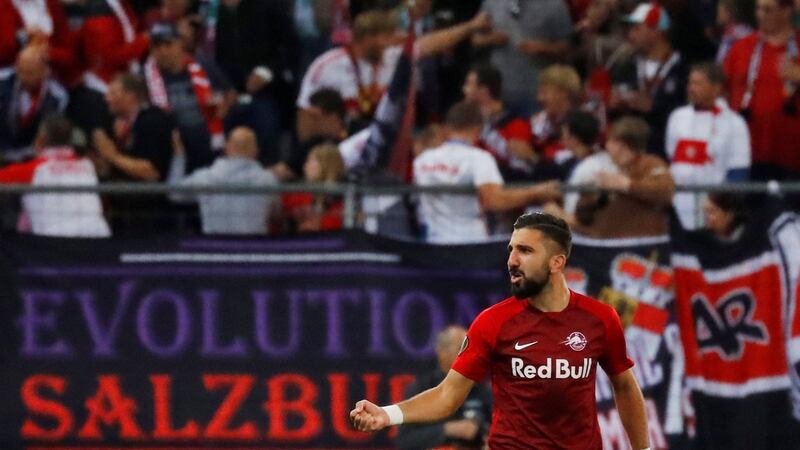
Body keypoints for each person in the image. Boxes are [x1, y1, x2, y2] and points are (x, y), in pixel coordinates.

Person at [351, 212, 650, 450]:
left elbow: (624, 386)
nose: (512, 260)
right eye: (511, 250)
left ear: (557, 262)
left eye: (525, 250)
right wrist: (387, 414)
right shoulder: (493, 322)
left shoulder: (599, 319)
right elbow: (447, 395)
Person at [297, 8, 491, 134]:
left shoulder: (393, 55)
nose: (394, 41)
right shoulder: (326, 66)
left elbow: (434, 43)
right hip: (343, 140)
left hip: (390, 136)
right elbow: (305, 114)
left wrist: (471, 26)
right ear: (367, 38)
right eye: (387, 37)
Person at [413, 101, 560, 244]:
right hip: (471, 247)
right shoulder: (479, 158)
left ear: (447, 128)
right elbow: (494, 200)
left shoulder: (422, 161)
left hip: (432, 245)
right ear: (478, 129)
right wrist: (535, 192)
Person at [666, 62, 751, 230]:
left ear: (716, 88)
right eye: (690, 83)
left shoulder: (735, 123)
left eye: (698, 83)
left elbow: (738, 173)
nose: (691, 88)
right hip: (676, 207)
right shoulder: (677, 117)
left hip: (712, 210)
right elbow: (671, 157)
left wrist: (720, 208)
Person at [724, 0, 800, 180]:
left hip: (792, 154)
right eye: (758, 9)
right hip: (746, 152)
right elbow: (722, 92)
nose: (761, 15)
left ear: (787, 11)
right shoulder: (741, 48)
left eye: (768, 9)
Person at [0, 114, 110, 237]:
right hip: (98, 240)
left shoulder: (33, 169)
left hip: (54, 245)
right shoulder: (88, 165)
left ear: (40, 139)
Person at [574, 116, 675, 238]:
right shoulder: (609, 170)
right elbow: (584, 217)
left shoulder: (651, 164)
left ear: (620, 145)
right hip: (608, 245)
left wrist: (626, 185)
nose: (606, 146)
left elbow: (664, 192)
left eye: (610, 141)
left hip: (643, 245)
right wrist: (590, 198)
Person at [610, 2, 688, 159]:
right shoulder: (626, 66)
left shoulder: (682, 69)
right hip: (629, 152)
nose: (630, 35)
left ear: (655, 32)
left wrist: (654, 107)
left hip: (666, 150)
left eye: (636, 29)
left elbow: (688, 112)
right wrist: (614, 105)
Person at [395, 325, 492, 450]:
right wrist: (447, 429)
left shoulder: (482, 390)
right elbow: (404, 441)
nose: (470, 356)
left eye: (472, 349)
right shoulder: (421, 389)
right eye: (461, 349)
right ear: (442, 353)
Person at [169, 126, 278, 235]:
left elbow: (174, 193)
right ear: (256, 151)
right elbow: (276, 213)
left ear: (226, 147)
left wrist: (179, 155)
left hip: (215, 248)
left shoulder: (205, 177)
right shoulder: (268, 180)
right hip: (254, 249)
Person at [472, 0, 573, 117]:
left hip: (537, 94)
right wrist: (491, 39)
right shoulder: (491, 3)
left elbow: (568, 48)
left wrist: (544, 48)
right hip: (499, 94)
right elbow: (475, 39)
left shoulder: (555, 5)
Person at [144, 21, 216, 169]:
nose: (163, 51)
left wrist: (220, 104)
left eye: (168, 44)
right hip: (169, 148)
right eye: (157, 46)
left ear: (180, 44)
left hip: (207, 141)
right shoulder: (145, 77)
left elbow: (229, 94)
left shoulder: (202, 66)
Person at [462, 63, 536, 182]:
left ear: (483, 91)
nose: (464, 89)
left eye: (468, 85)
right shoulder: (469, 124)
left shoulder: (517, 125)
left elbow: (521, 172)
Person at [0, 46, 69, 163]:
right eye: (21, 71)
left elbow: (51, 136)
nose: (24, 77)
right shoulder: (2, 82)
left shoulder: (57, 97)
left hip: (35, 158)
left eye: (30, 73)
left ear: (46, 71)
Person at [280, 143, 346, 233]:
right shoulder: (299, 194)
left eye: (310, 160)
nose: (305, 165)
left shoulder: (342, 197)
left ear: (324, 164)